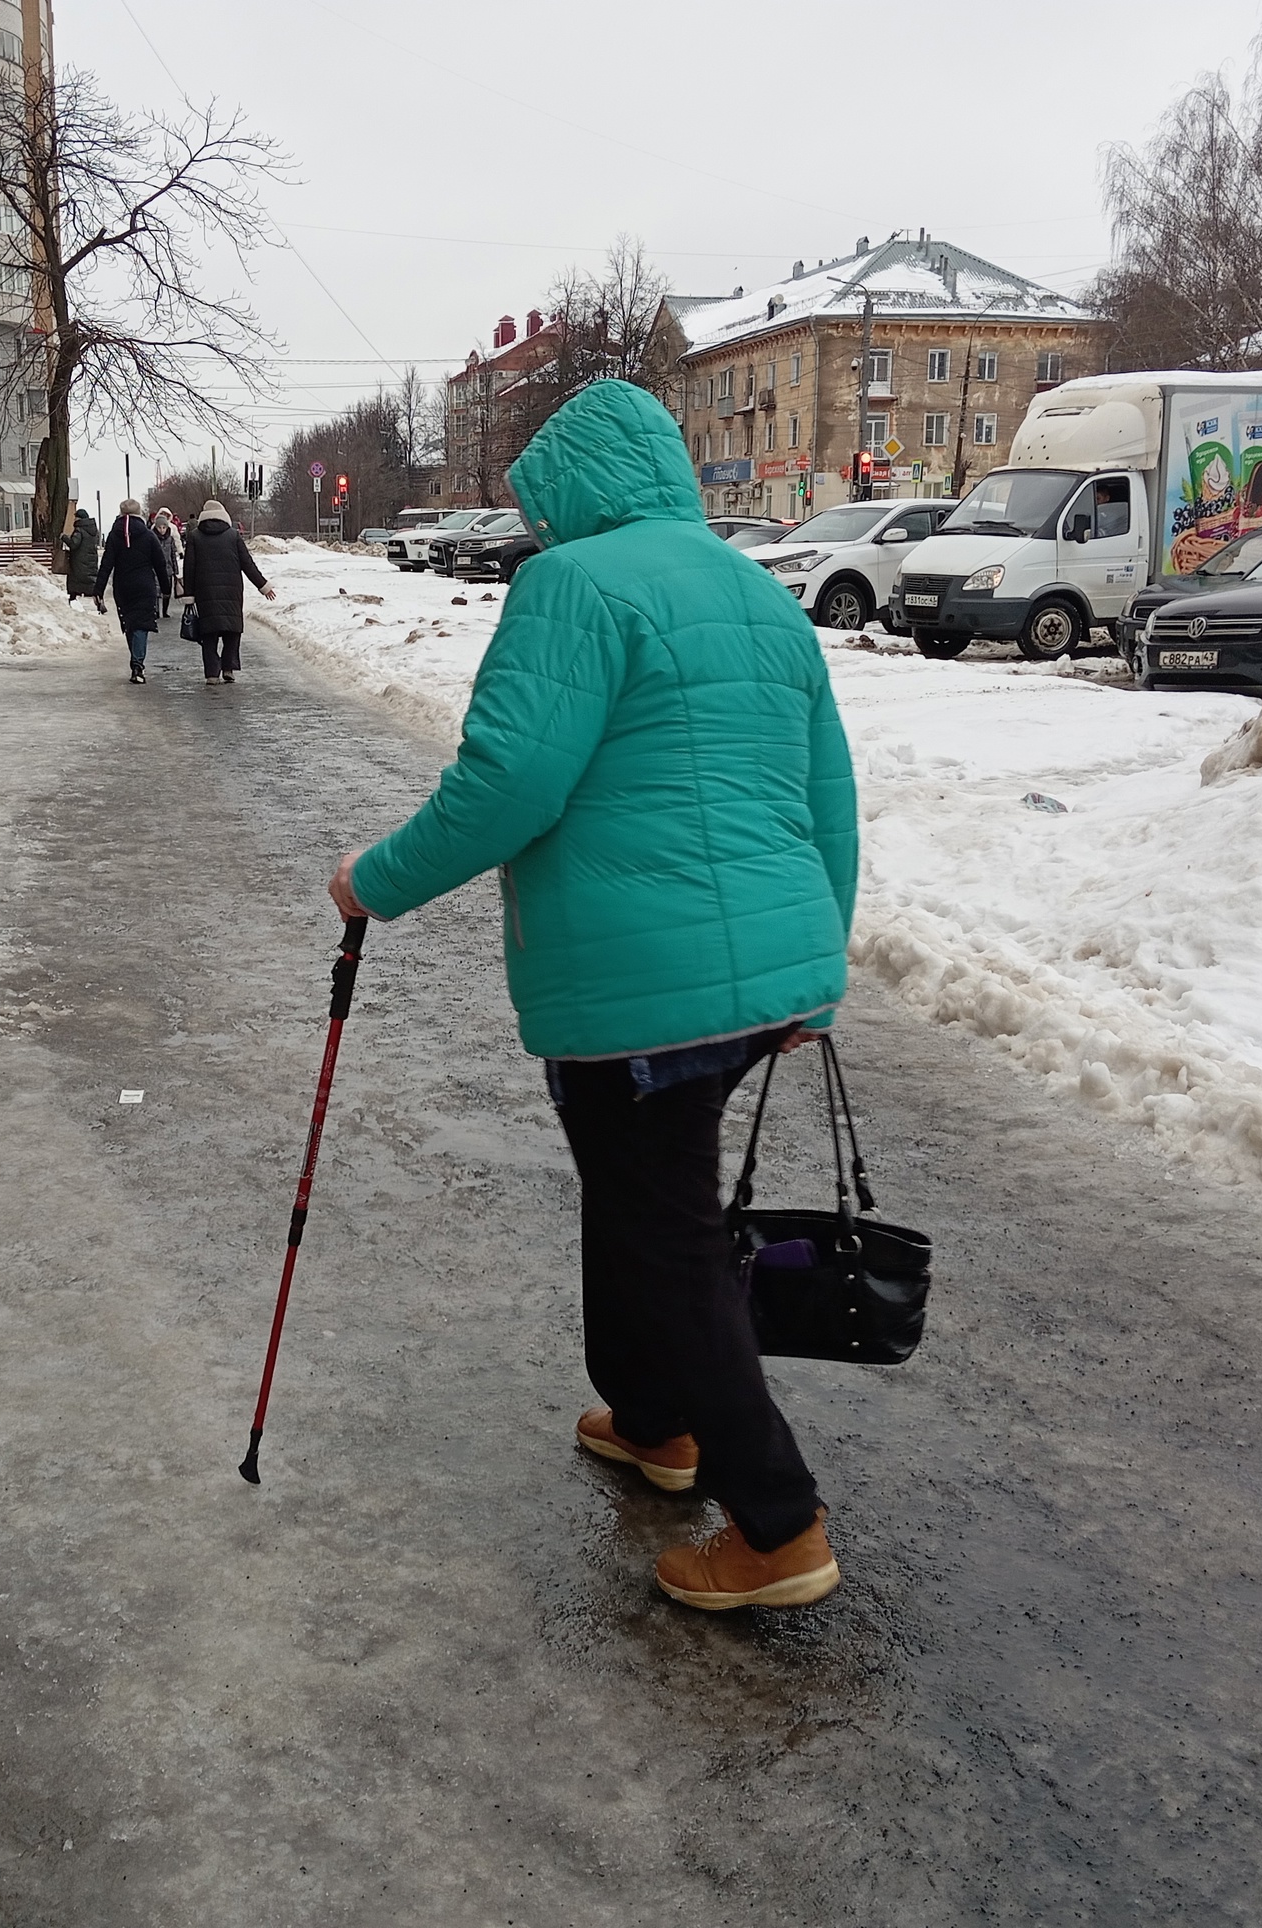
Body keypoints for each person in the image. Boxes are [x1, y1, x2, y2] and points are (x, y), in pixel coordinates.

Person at [327, 379, 857, 1612]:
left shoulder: (570, 585)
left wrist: (375, 883)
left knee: (662, 1233)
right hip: (754, 974)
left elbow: (509, 784)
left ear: (566, 489)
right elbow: (828, 790)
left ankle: (776, 1520)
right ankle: (654, 1419)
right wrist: (817, 962)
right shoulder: (755, 592)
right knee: (641, 1203)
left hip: (638, 983)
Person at [182, 496, 273, 684]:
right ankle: (229, 667)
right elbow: (247, 563)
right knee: (232, 629)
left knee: (208, 633)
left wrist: (189, 595)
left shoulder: (195, 537)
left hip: (204, 591)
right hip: (232, 591)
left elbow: (189, 567)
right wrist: (263, 586)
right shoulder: (233, 535)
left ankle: (212, 674)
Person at [96, 497, 172, 684]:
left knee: (130, 624)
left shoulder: (114, 536)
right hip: (145, 586)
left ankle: (136, 662)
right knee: (141, 625)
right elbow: (160, 563)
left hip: (122, 587)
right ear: (139, 514)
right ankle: (137, 665)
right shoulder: (148, 536)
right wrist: (166, 588)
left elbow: (106, 564)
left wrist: (98, 590)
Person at [149, 507, 182, 620]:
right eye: (160, 527)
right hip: (155, 568)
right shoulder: (152, 538)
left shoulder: (170, 539)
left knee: (167, 590)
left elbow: (173, 554)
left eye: (164, 527)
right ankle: (157, 611)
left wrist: (175, 569)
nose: (162, 530)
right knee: (156, 590)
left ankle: (165, 610)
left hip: (168, 568)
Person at [63, 505, 100, 598]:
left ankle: (73, 599)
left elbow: (74, 544)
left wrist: (64, 537)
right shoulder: (94, 530)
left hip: (79, 561)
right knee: (90, 580)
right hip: (90, 559)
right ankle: (97, 598)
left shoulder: (79, 530)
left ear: (79, 518)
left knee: (76, 581)